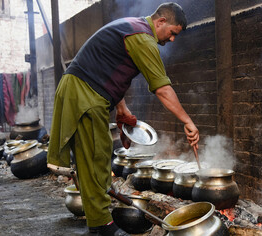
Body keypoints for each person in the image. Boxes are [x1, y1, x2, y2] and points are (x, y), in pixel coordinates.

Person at [47, 3, 199, 235]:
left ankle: (99, 222)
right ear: (160, 22)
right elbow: (162, 89)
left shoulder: (132, 27)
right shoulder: (143, 38)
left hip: (82, 90)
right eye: (172, 33)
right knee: (96, 158)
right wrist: (188, 122)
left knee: (94, 157)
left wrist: (122, 109)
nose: (172, 40)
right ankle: (103, 226)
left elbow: (110, 67)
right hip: (84, 94)